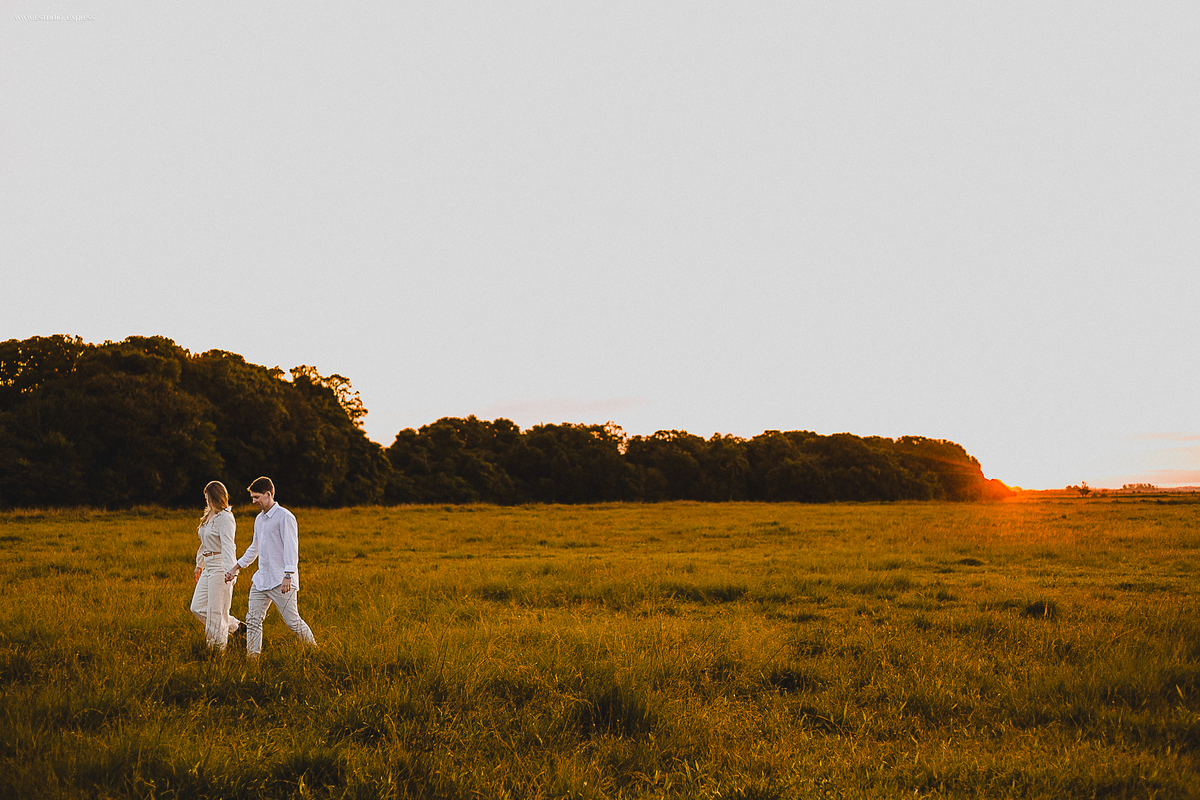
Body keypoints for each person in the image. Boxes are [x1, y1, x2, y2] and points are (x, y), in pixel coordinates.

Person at [225, 476, 317, 656]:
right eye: (252, 497)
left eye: (257, 497)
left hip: (281, 581)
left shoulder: (285, 517)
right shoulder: (259, 519)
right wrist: (236, 567)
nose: (254, 501)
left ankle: (315, 651)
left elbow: (292, 547)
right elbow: (254, 547)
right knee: (252, 620)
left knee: (292, 622)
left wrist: (288, 575)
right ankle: (252, 661)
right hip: (261, 580)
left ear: (268, 494)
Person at [190, 480, 241, 650]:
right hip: (208, 566)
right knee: (197, 607)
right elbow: (205, 542)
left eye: (208, 498)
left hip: (221, 566)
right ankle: (236, 627)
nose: (206, 501)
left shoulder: (225, 518)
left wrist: (231, 571)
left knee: (216, 612)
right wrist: (199, 565)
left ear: (216, 497)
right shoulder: (208, 515)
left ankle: (216, 652)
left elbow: (228, 546)